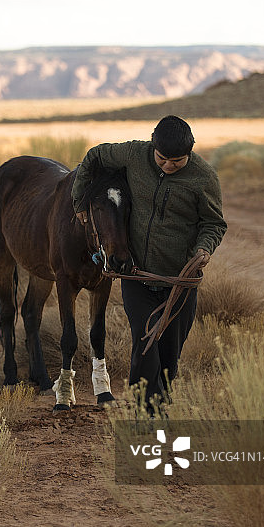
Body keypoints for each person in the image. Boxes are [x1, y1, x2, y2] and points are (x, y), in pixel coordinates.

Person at [72, 115, 227, 413]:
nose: (168, 166)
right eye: (162, 159)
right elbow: (93, 156)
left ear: (190, 153)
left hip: (179, 281)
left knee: (169, 357)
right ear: (153, 146)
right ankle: (146, 415)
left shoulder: (204, 178)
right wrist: (79, 201)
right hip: (137, 276)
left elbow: (214, 223)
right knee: (145, 349)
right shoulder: (133, 154)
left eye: (177, 162)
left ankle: (161, 408)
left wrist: (204, 250)